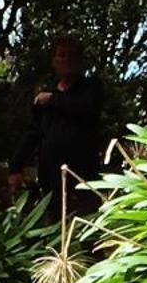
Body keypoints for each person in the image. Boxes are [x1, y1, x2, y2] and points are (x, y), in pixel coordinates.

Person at [8, 36, 105, 219]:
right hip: (51, 178)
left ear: (80, 60)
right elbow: (33, 134)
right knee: (53, 231)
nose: (67, 59)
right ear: (54, 62)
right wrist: (15, 167)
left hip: (82, 177)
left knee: (89, 230)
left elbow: (87, 109)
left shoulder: (91, 88)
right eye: (62, 55)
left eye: (72, 55)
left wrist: (53, 100)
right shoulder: (46, 97)